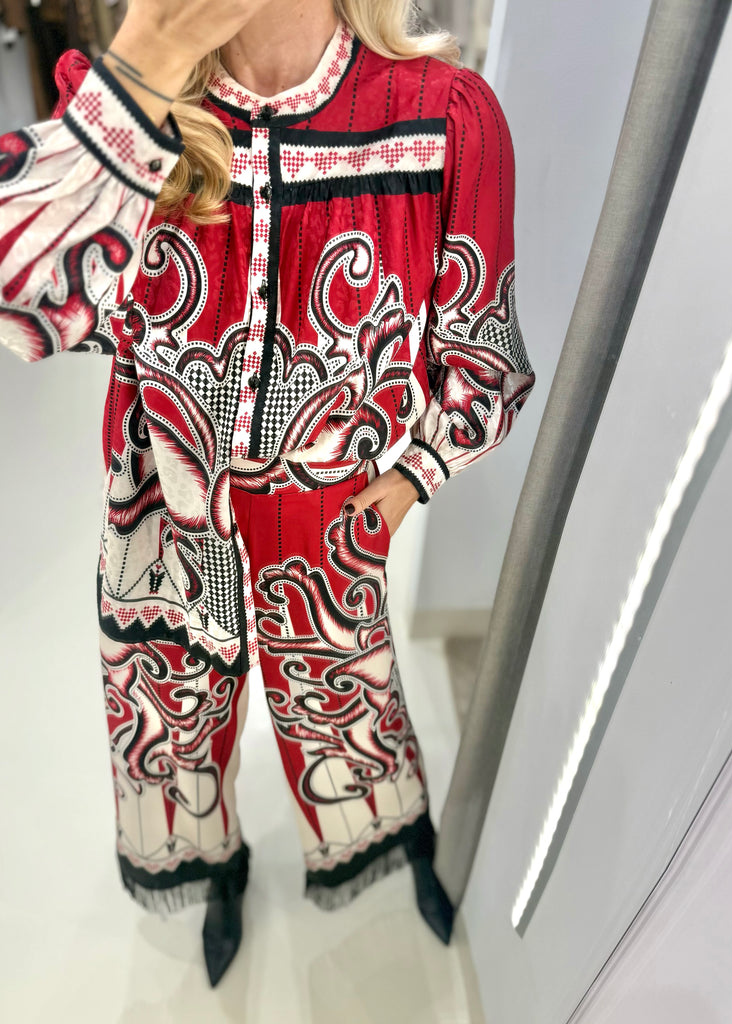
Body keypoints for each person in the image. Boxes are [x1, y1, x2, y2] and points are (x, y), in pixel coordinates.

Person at [0, 0, 535, 988]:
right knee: (170, 709)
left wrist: (407, 480)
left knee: (344, 695)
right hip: (163, 504)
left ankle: (389, 838)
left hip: (328, 514)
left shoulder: (443, 117)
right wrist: (148, 60)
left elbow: (484, 363)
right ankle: (217, 867)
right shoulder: (128, 110)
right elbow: (18, 288)